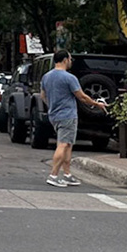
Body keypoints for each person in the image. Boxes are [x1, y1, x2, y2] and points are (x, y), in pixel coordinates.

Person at [42, 51, 105, 187]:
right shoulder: (69, 78)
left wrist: (52, 106)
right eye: (70, 59)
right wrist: (96, 104)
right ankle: (53, 175)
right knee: (63, 144)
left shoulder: (46, 77)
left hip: (54, 115)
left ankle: (67, 174)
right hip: (67, 115)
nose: (71, 61)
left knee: (68, 145)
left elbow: (43, 95)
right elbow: (81, 96)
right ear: (65, 60)